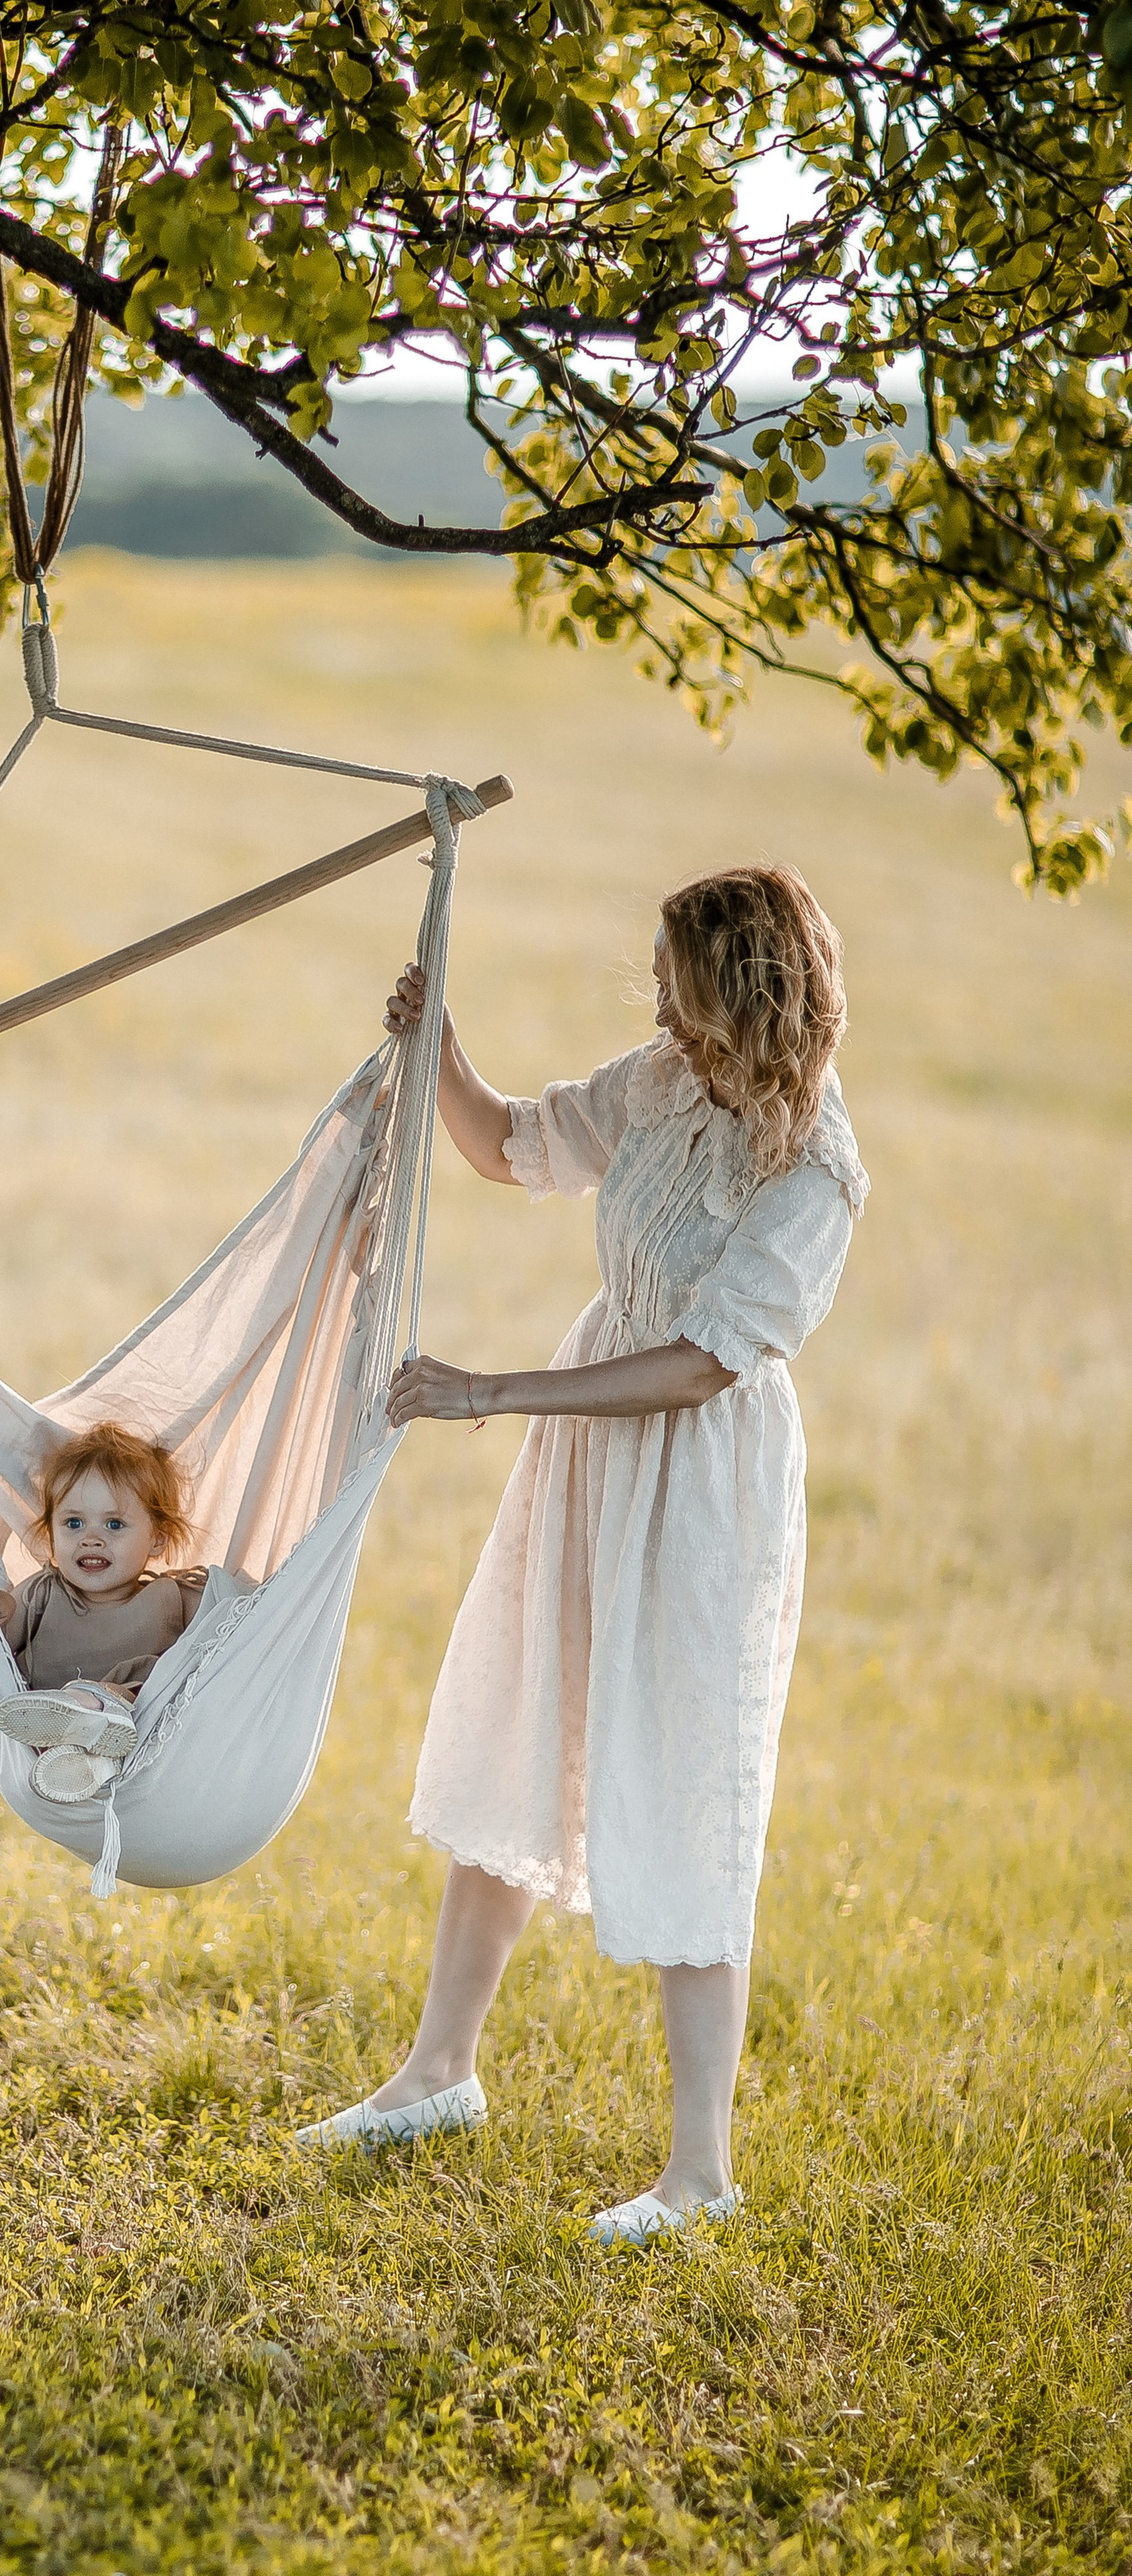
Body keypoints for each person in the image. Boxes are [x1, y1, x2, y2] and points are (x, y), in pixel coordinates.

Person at [297, 864, 867, 2244]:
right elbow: (511, 1146)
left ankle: (700, 2170)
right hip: (594, 1439)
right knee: (524, 1723)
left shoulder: (818, 1173)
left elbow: (699, 1368)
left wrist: (489, 1392)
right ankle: (437, 2071)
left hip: (699, 1477)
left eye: (682, 995)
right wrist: (439, 1047)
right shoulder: (668, 1086)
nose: (661, 1016)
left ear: (749, 1000)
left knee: (685, 1778)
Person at [0, 1422, 210, 1805]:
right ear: (51, 1537)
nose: (92, 1538)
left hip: (144, 1743)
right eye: (73, 1523)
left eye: (114, 1524)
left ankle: (87, 1717)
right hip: (46, 1750)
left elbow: (243, 1623)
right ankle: (82, 1757)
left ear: (157, 1537)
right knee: (73, 1744)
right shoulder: (43, 1594)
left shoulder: (171, 1597)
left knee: (136, 1689)